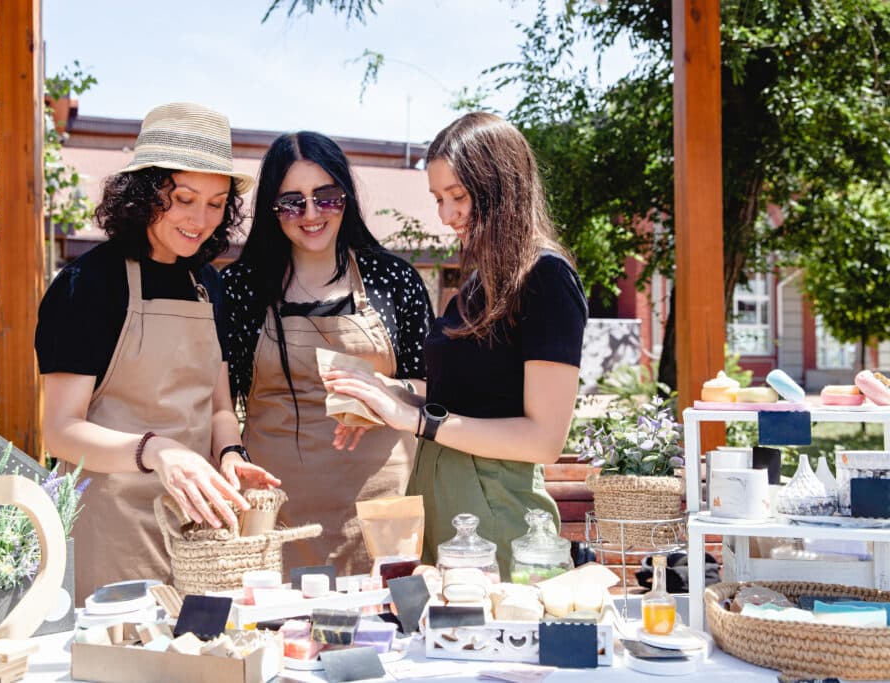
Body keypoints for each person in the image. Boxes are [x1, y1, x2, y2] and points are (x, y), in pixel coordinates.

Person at [323, 112, 588, 578]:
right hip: (439, 496)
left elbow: (544, 440)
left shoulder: (546, 278)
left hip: (497, 509)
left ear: (501, 188)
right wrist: (380, 393)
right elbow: (461, 396)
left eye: (458, 197)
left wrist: (417, 420)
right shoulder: (478, 283)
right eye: (438, 199)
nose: (446, 216)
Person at [35, 103, 280, 601]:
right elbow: (60, 432)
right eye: (184, 198)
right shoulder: (89, 285)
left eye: (216, 204)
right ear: (145, 194)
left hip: (198, 529)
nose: (200, 220)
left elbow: (216, 406)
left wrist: (230, 453)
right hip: (108, 525)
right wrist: (157, 450)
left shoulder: (209, 283)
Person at [221, 131, 434, 576]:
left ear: (347, 197)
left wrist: (379, 390)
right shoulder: (241, 287)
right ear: (272, 210)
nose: (312, 214)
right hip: (274, 513)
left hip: (379, 511)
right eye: (292, 202)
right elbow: (219, 400)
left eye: (327, 197)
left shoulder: (393, 279)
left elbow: (431, 385)